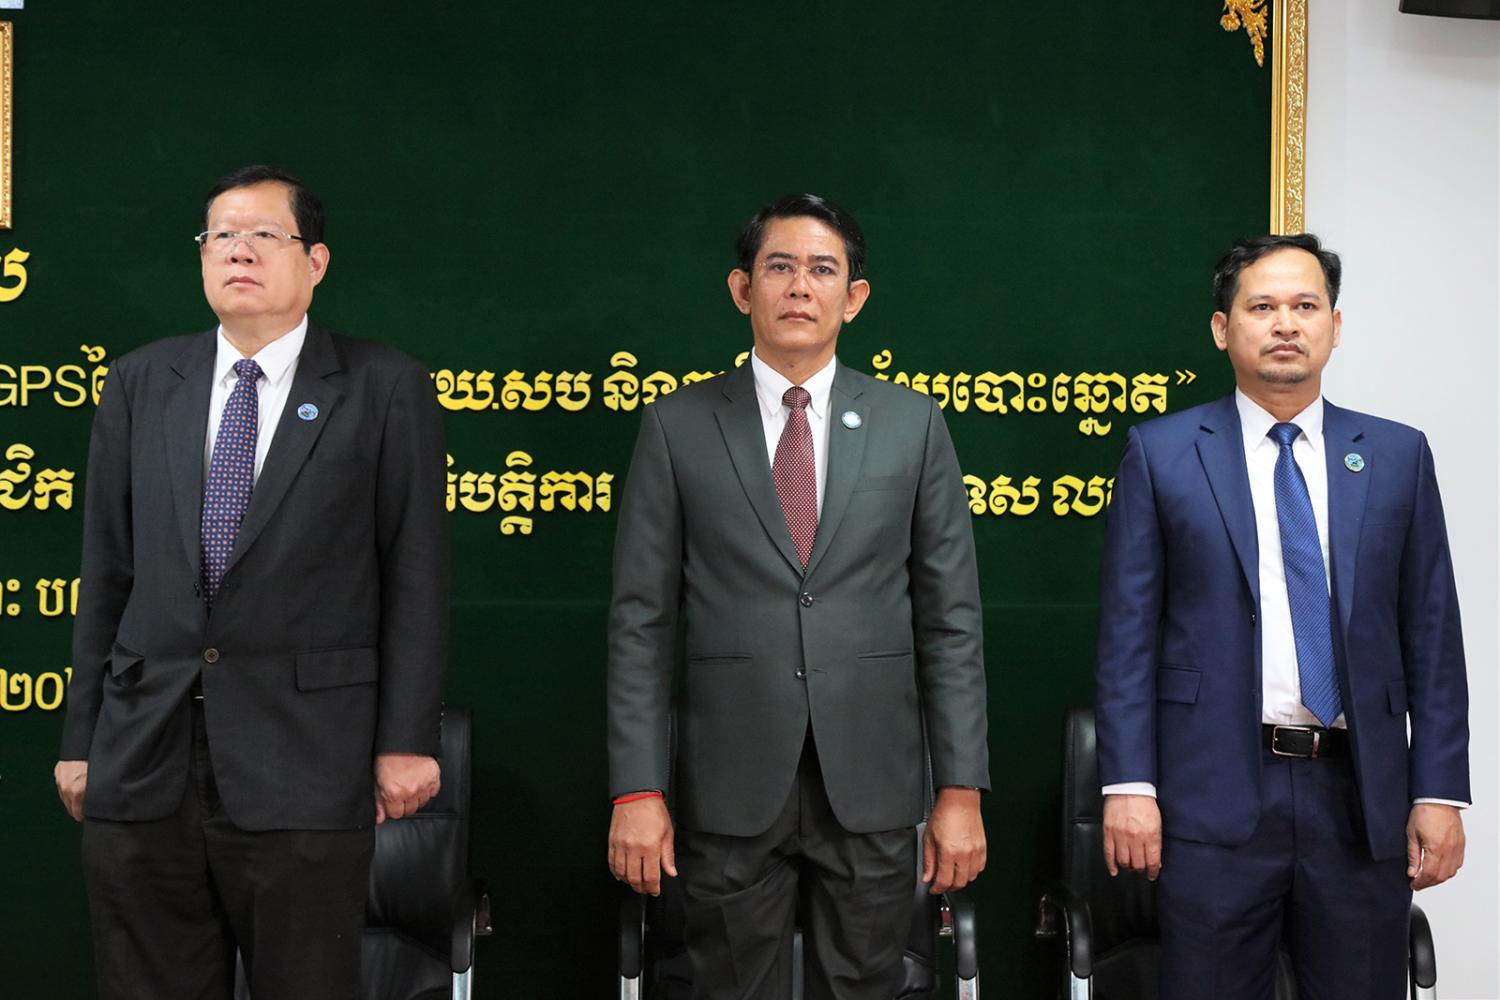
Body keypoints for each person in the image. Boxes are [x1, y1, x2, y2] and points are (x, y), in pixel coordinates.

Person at [52, 165, 449, 1000]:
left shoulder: (383, 386)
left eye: (265, 234)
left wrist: (405, 739)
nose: (239, 251)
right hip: (144, 757)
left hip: (305, 760)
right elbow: (107, 569)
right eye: (222, 236)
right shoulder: (139, 382)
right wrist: (82, 740)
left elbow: (414, 574)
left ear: (316, 262)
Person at [605, 193, 989, 1000]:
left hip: (872, 781)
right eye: (779, 267)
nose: (799, 287)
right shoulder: (677, 425)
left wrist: (959, 792)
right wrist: (637, 788)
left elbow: (950, 623)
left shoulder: (913, 424)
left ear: (854, 297)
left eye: (822, 269)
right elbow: (641, 622)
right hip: (728, 783)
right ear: (742, 289)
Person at [1095, 233, 1469, 1000]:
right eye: (1262, 307)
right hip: (1215, 794)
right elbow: (1126, 635)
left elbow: (1433, 636)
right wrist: (1128, 783)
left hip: (1359, 797)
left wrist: (1438, 792)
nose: (1286, 324)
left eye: (1306, 306)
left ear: (1336, 324)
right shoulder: (1162, 453)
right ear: (1222, 328)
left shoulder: (1397, 455)